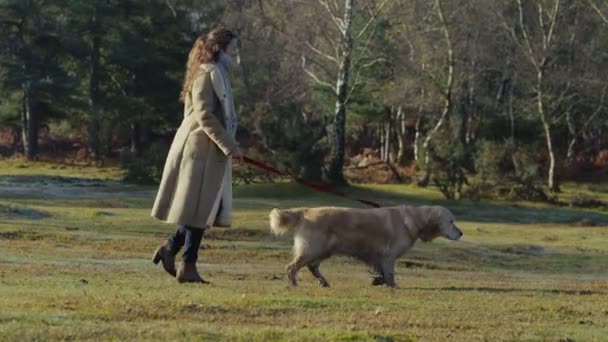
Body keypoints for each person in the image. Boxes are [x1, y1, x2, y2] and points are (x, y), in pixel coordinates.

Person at [150, 28, 243, 283]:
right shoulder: (205, 74)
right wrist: (229, 145)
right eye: (231, 49)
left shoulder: (218, 74)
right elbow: (204, 115)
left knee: (202, 210)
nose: (234, 54)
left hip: (210, 150)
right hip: (199, 150)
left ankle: (170, 250)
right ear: (219, 49)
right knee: (199, 210)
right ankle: (187, 266)